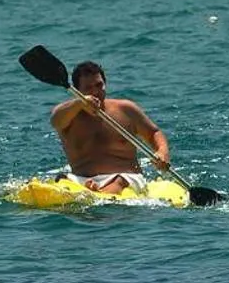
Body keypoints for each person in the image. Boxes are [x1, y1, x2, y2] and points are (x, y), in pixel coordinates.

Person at [47, 60, 170, 193]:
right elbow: (55, 121)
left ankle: (97, 193)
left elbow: (153, 132)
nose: (95, 91)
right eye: (88, 88)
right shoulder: (67, 114)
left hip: (125, 177)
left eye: (99, 85)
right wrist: (80, 103)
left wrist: (162, 152)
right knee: (62, 179)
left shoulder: (126, 109)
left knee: (119, 180)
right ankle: (90, 190)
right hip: (82, 178)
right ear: (77, 91)